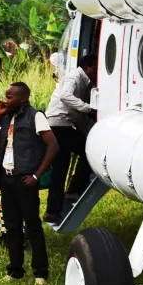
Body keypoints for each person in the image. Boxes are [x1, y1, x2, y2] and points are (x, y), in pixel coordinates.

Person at [0, 82, 59, 285]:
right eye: (6, 96)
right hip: (6, 178)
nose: (6, 100)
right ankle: (15, 271)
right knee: (11, 226)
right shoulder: (6, 117)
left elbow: (53, 146)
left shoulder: (35, 116)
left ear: (23, 98)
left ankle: (40, 274)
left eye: (10, 97)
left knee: (32, 226)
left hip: (25, 180)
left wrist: (36, 176)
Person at [44, 59, 100, 226]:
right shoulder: (74, 77)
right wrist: (87, 108)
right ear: (88, 67)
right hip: (59, 126)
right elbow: (65, 96)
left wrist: (93, 130)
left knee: (60, 171)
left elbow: (78, 117)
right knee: (89, 151)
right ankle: (74, 190)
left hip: (60, 126)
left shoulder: (85, 83)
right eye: (96, 67)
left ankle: (52, 212)